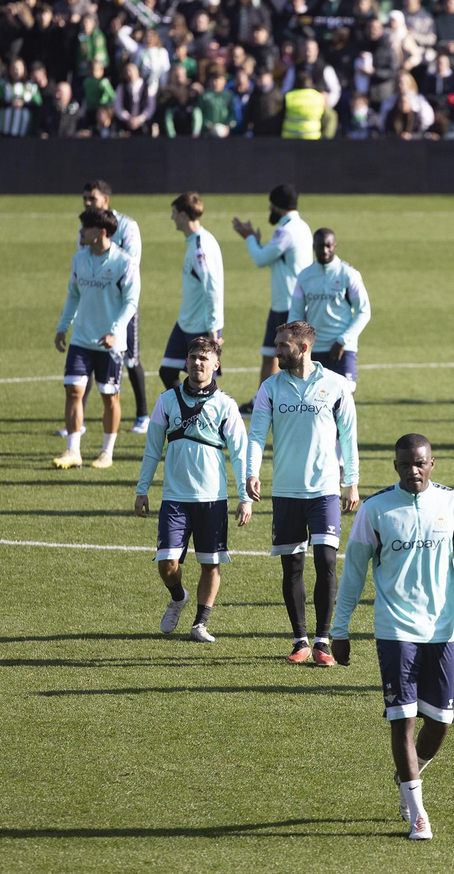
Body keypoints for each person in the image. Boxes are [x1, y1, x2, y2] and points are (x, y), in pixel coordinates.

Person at [329, 433, 454, 841]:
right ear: (395, 466)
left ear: (432, 463)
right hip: (394, 631)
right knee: (403, 721)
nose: (413, 470)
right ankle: (417, 813)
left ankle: (405, 776)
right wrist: (338, 631)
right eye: (405, 464)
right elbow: (353, 574)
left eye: (420, 463)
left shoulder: (453, 504)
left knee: (441, 723)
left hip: (442, 631)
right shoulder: (375, 510)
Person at [245, 320, 360, 664]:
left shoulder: (337, 386)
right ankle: (300, 640)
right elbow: (255, 436)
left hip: (325, 490)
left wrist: (351, 481)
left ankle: (323, 642)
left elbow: (348, 436)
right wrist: (251, 472)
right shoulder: (270, 388)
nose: (277, 351)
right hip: (286, 491)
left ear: (304, 348)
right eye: (277, 345)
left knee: (326, 562)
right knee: (291, 567)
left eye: (283, 346)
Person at [135, 336, 251, 643]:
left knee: (210, 563)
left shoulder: (225, 406)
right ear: (186, 362)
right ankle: (177, 597)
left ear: (216, 364)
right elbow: (152, 449)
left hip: (212, 499)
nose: (198, 362)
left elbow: (240, 454)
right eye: (193, 357)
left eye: (204, 358)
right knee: (167, 563)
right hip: (174, 498)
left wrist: (244, 497)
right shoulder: (167, 400)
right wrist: (142, 489)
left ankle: (200, 623)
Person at [53, 208, 139, 470]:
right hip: (81, 339)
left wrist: (115, 331)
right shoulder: (79, 260)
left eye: (85, 228)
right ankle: (72, 451)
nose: (80, 232)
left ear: (101, 232)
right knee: (73, 391)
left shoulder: (125, 263)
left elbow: (131, 302)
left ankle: (106, 452)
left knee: (109, 397)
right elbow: (73, 295)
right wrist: (62, 326)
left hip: (110, 344)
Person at [231, 183, 313, 410]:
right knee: (280, 355)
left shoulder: (285, 231)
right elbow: (275, 257)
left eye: (271, 206)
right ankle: (264, 401)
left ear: (278, 206)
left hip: (285, 305)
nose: (270, 211)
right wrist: (257, 242)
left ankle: (266, 403)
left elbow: (260, 259)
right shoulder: (303, 227)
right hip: (293, 302)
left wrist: (248, 237)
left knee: (275, 355)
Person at [81, 179, 150, 433]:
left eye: (93, 199)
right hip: (94, 302)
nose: (88, 203)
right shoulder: (86, 226)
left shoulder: (128, 226)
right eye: (85, 199)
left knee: (131, 359)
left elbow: (132, 264)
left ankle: (143, 415)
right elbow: (84, 259)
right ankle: (79, 421)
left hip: (121, 304)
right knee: (85, 354)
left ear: (106, 201)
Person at [288, 227, 372, 385]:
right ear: (314, 246)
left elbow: (364, 311)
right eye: (320, 246)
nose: (325, 250)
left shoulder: (349, 275)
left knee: (346, 398)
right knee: (314, 403)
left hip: (343, 349)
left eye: (329, 246)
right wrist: (298, 343)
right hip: (312, 348)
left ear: (335, 246)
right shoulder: (304, 277)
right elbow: (295, 314)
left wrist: (343, 340)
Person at [159, 191, 225, 391]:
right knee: (168, 372)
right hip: (185, 323)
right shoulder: (197, 241)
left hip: (202, 327)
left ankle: (206, 418)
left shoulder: (200, 249)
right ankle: (184, 412)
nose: (172, 218)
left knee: (202, 383)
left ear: (183, 215)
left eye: (174, 213)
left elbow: (212, 289)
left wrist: (212, 330)